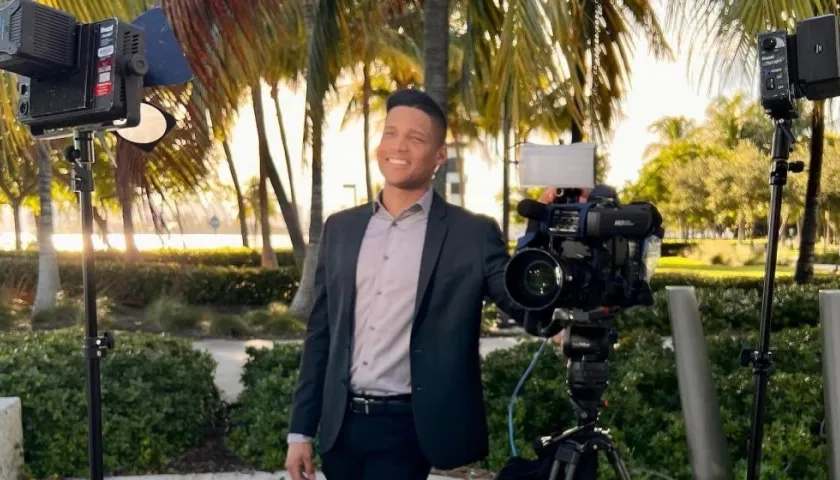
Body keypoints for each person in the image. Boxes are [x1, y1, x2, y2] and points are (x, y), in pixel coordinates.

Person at [285, 88, 554, 480]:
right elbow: (322, 332)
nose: (398, 146)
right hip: (340, 427)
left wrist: (544, 232)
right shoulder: (341, 228)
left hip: (408, 428)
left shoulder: (471, 234)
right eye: (390, 133)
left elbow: (525, 306)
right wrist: (300, 430)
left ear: (439, 156)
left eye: (415, 138)